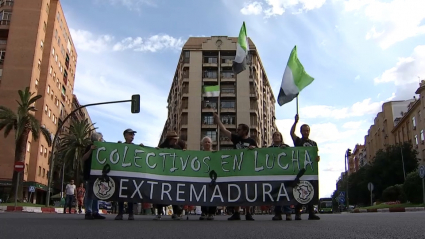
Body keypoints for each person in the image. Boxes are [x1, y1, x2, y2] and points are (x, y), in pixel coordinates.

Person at [213, 112, 257, 221]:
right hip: (236, 168)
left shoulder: (252, 141)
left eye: (239, 129)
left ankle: (248, 213)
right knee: (236, 189)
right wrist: (217, 119)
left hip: (247, 169)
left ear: (245, 131)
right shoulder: (236, 139)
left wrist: (253, 149)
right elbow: (224, 130)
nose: (237, 131)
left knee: (247, 190)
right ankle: (236, 212)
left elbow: (258, 154)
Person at [290, 114, 321, 220]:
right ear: (301, 131)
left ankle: (311, 212)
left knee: (311, 190)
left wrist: (317, 159)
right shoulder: (298, 141)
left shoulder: (313, 143)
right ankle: (298, 213)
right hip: (300, 170)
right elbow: (291, 133)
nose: (306, 132)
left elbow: (315, 156)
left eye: (307, 130)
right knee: (300, 190)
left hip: (310, 171)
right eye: (304, 130)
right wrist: (295, 122)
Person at [154, 131, 185, 220]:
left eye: (176, 140)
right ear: (169, 139)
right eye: (174, 139)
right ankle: (159, 212)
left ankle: (176, 212)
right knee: (161, 192)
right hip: (163, 174)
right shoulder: (161, 147)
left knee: (175, 192)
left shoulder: (178, 148)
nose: (175, 141)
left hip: (174, 174)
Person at [115, 128, 144, 220]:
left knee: (131, 194)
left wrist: (142, 148)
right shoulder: (120, 146)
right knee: (121, 194)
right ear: (125, 136)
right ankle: (120, 213)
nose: (132, 136)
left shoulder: (135, 147)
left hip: (131, 174)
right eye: (130, 134)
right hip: (122, 173)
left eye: (133, 135)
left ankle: (131, 213)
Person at [81, 132, 106, 220]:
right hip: (90, 174)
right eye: (101, 138)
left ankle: (95, 212)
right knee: (89, 193)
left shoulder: (102, 148)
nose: (102, 139)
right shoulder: (89, 147)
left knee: (97, 193)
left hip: (98, 175)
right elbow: (84, 158)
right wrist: (91, 150)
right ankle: (88, 211)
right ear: (98, 139)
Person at [268, 131, 292, 221]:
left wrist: (286, 149)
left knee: (286, 193)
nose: (277, 136)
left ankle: (288, 213)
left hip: (285, 174)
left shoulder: (286, 147)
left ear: (281, 137)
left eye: (278, 135)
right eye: (275, 135)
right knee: (276, 194)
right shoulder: (269, 149)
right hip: (274, 174)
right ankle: (278, 213)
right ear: (273, 138)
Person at [199, 136, 217, 221]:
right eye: (205, 142)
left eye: (208, 142)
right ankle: (204, 212)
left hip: (213, 177)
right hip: (203, 177)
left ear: (211, 144)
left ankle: (211, 213)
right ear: (202, 144)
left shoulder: (215, 154)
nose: (207, 143)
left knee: (213, 194)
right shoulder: (199, 155)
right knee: (203, 194)